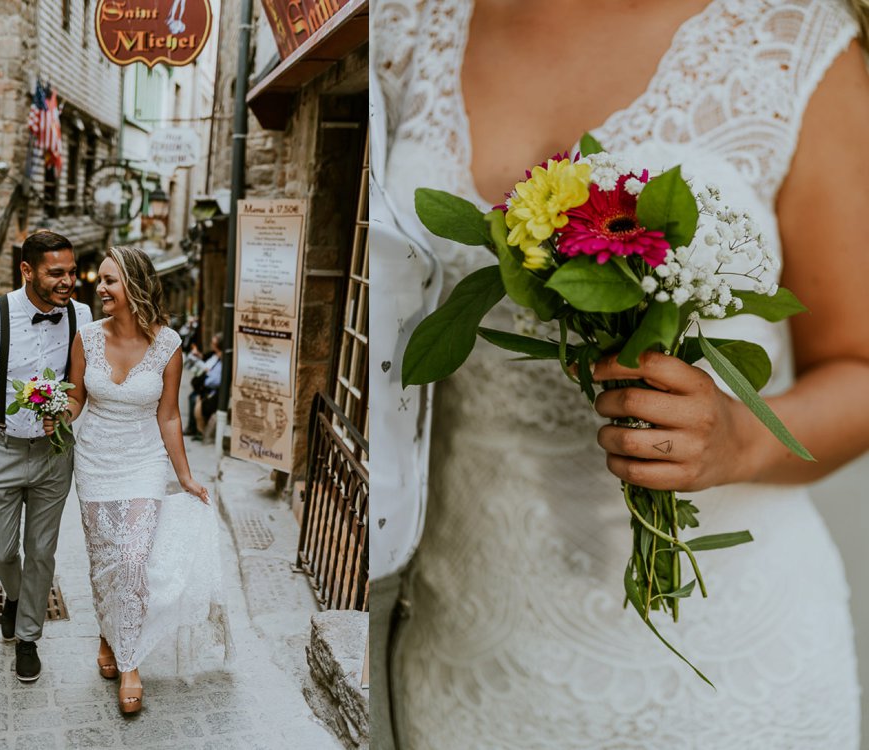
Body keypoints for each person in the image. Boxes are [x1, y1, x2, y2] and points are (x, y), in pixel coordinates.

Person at [372, 0, 869, 747]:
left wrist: (741, 439)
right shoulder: (404, 27)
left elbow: (859, 366)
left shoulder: (792, 35)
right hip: (474, 657)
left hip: (729, 684)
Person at [47, 245, 232, 714]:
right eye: (101, 281)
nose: (100, 288)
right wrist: (56, 415)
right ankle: (108, 636)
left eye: (110, 281)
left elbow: (169, 417)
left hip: (143, 462)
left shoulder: (167, 345)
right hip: (95, 461)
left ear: (135, 285)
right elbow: (76, 401)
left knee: (133, 559)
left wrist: (185, 477)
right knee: (104, 561)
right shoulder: (86, 338)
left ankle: (129, 661)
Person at [0, 230, 93, 683]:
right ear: (27, 271)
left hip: (55, 454)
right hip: (0, 450)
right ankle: (14, 596)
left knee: (42, 551)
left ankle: (29, 637)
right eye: (56, 273)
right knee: (0, 550)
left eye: (71, 271)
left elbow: (82, 383)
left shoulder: (83, 316)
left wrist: (67, 418)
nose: (68, 281)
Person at [188, 333, 223, 441]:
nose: (211, 345)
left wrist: (206, 373)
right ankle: (193, 427)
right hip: (203, 384)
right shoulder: (213, 354)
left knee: (194, 399)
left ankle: (197, 429)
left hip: (210, 389)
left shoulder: (222, 359)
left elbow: (215, 380)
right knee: (192, 397)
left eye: (213, 343)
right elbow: (204, 357)